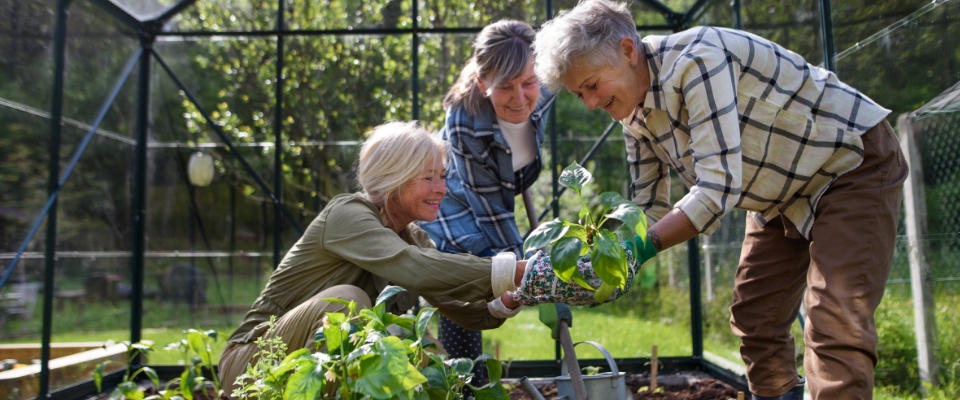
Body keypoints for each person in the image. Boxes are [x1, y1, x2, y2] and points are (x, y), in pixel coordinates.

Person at [532, 1, 908, 399]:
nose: (590, 103)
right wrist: (592, 254)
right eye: (579, 95)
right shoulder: (632, 113)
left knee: (835, 323)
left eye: (592, 85)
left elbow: (717, 190)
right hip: (777, 193)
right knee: (756, 319)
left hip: (848, 163)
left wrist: (638, 251)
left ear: (628, 51)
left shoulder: (697, 60)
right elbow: (648, 210)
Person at [218, 120, 645, 395]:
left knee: (429, 361)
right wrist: (514, 268)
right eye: (428, 177)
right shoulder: (348, 215)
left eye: (443, 176)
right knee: (346, 299)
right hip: (254, 362)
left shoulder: (414, 236)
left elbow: (458, 306)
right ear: (393, 180)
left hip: (315, 366)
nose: (441, 188)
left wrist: (516, 294)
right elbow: (412, 268)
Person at [418, 19, 554, 387]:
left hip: (503, 190)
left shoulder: (547, 83)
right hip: (455, 203)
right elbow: (490, 210)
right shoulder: (465, 119)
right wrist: (526, 272)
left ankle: (468, 384)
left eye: (529, 82)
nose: (521, 97)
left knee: (498, 273)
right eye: (505, 87)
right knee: (468, 284)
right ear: (482, 83)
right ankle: (465, 386)